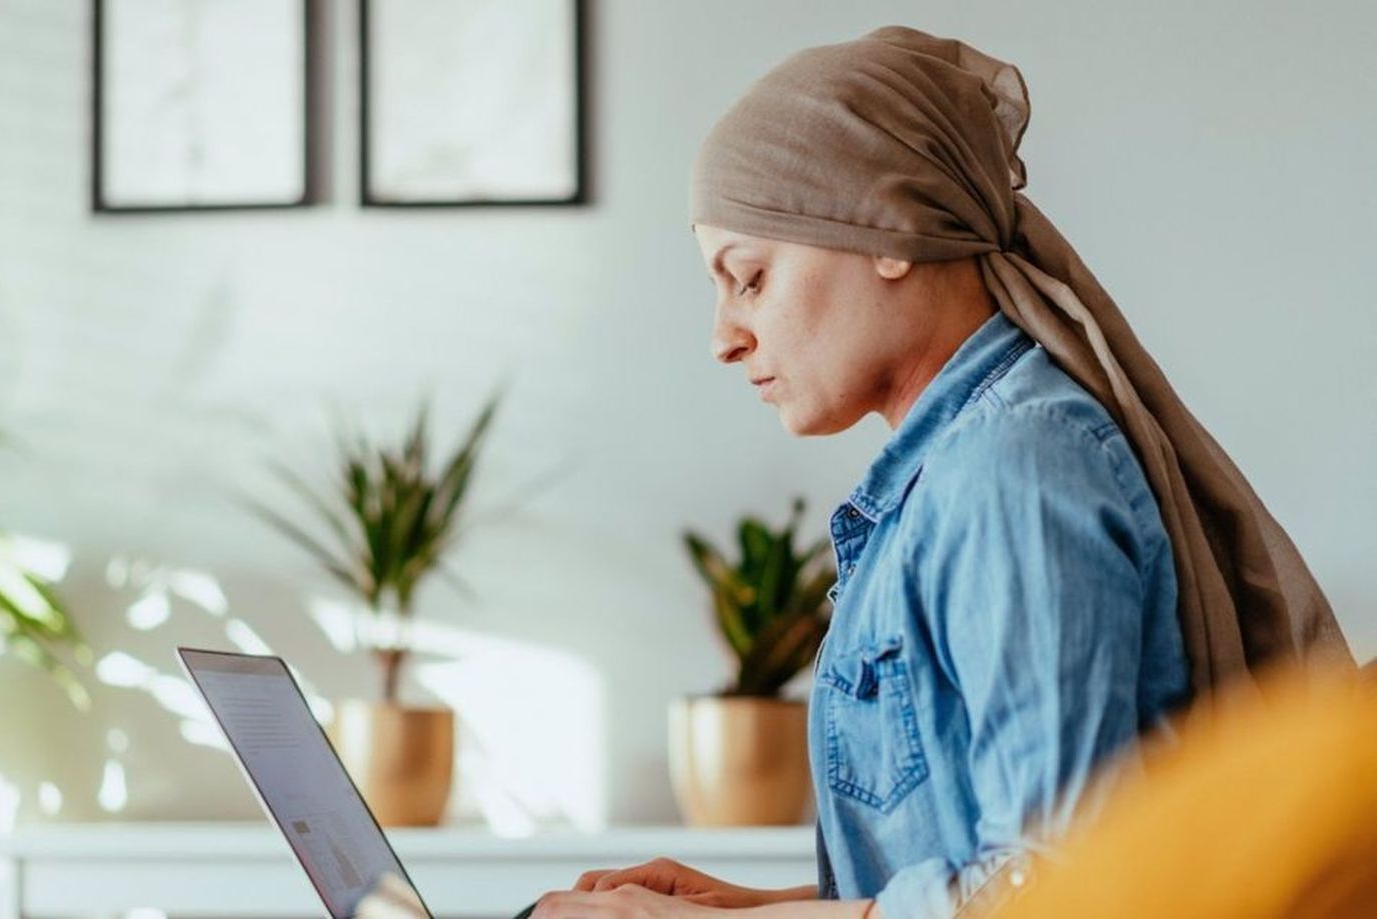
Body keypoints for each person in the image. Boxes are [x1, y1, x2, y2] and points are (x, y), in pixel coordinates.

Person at [528, 24, 1352, 919]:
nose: (725, 337)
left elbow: (1063, 891)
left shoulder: (1016, 471)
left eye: (751, 278)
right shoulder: (964, 466)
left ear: (889, 228)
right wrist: (747, 908)